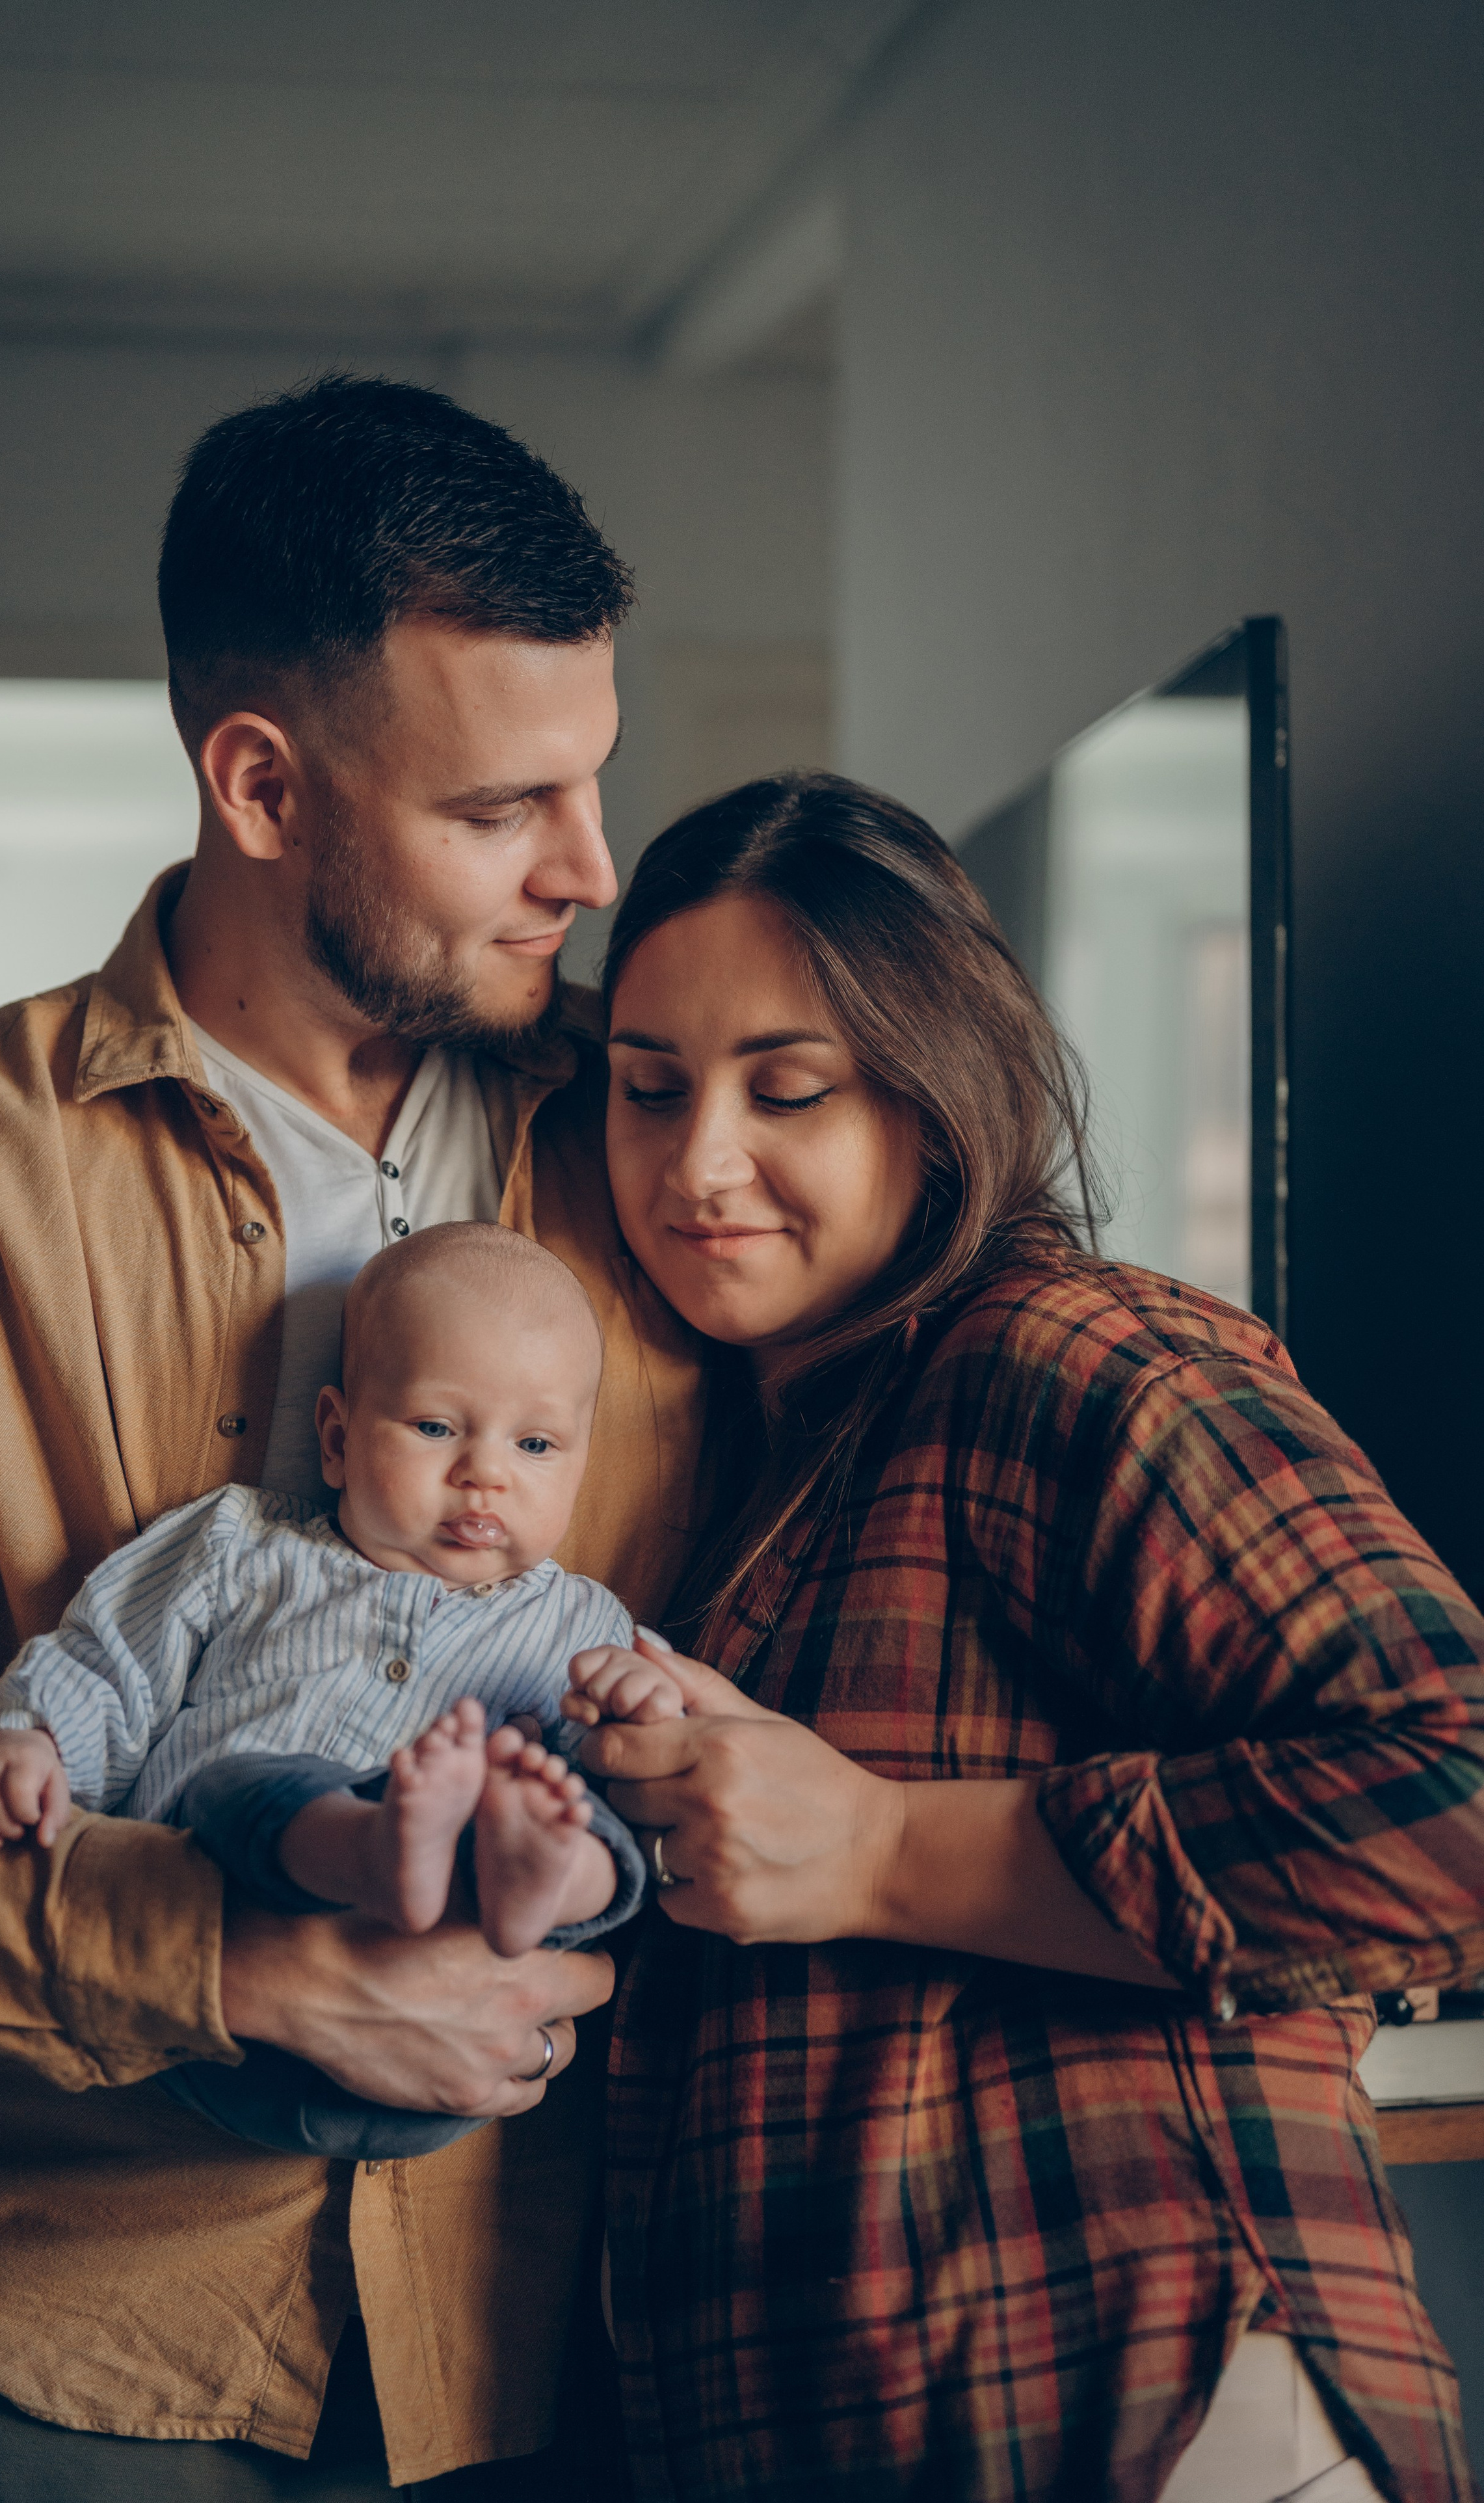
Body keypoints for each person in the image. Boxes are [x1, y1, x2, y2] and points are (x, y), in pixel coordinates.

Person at [0, 373, 707, 2498]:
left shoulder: (678, 1134)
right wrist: (235, 1955)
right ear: (260, 779)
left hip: (595, 2320)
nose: (590, 865)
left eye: (589, 782)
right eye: (505, 807)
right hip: (93, 2330)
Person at [574, 771, 1484, 2503]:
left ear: (933, 1101)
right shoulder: (757, 1465)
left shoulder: (1074, 1355)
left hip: (1162, 2429)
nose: (697, 1163)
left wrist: (894, 1851)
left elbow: (1459, 1796)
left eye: (788, 1090)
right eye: (646, 1090)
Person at [0, 1225, 672, 2161]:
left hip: (450, 2052)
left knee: (588, 1817)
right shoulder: (242, 1546)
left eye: (536, 1443)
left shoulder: (581, 1625)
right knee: (243, 1786)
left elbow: (642, 1764)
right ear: (336, 1437)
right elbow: (107, 1658)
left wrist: (640, 1707)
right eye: (436, 1427)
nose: (485, 1471)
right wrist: (33, 1741)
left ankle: (532, 1878)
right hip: (218, 1993)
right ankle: (371, 1844)